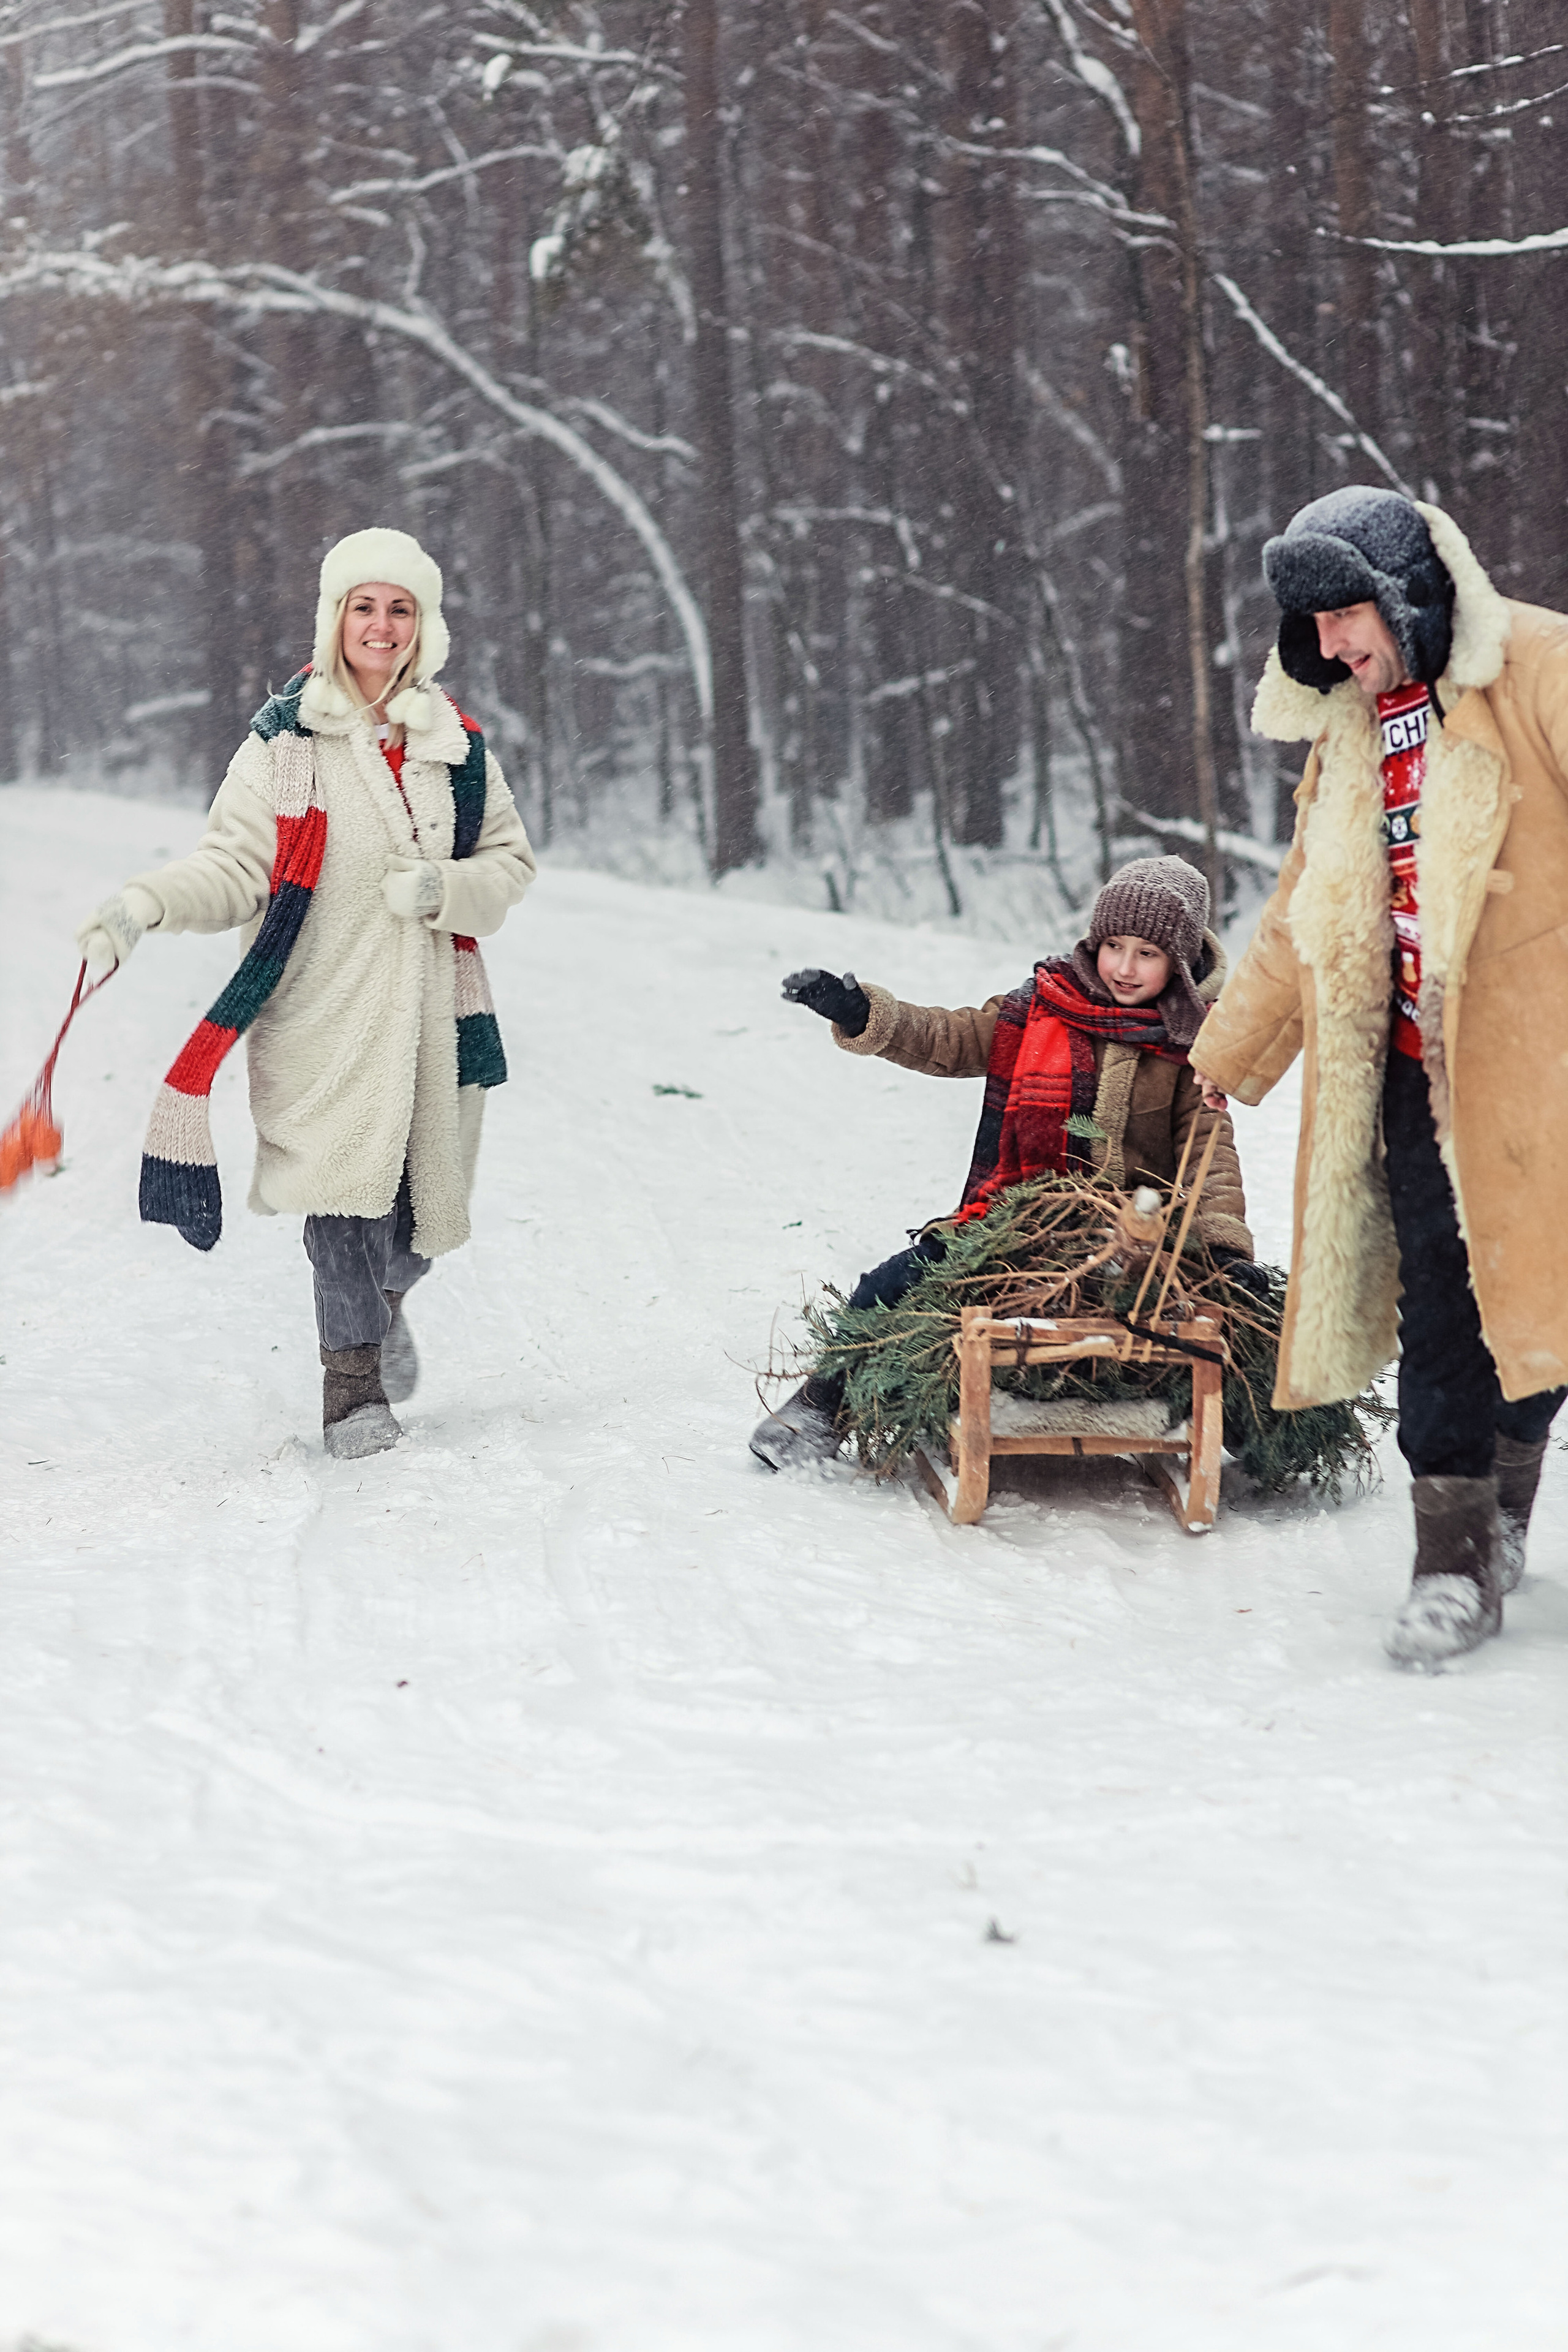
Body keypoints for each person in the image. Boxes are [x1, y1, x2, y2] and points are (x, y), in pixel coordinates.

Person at [1188, 484, 1568, 1666]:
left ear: (1406, 592)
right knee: (1444, 1310)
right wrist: (1230, 1055)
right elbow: (1308, 918)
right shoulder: (1350, 740)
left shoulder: (1541, 671)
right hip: (1409, 1070)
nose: (1336, 647)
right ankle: (1452, 1557)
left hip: (1541, 1067)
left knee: (1542, 1308)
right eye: (1318, 632)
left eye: (1350, 616)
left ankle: (1504, 1506)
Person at [75, 526, 536, 1459]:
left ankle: (386, 1304)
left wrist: (449, 891)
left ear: (423, 625)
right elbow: (232, 867)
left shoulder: (457, 745)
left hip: (436, 1024)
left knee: (416, 1224)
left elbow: (510, 863)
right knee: (341, 1205)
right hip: (319, 1015)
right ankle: (352, 1388)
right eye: (363, 606)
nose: (380, 624)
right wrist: (143, 905)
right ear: (335, 619)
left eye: (399, 608)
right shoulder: (284, 746)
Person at [752, 855, 1256, 1469]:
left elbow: (1211, 1154)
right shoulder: (1041, 1006)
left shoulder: (1197, 1048)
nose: (1124, 967)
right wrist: (863, 1015)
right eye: (1114, 946)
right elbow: (948, 1037)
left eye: (1147, 954)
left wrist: (1225, 1251)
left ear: (1177, 963)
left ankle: (1257, 1436)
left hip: (1132, 1243)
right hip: (1016, 1223)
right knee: (886, 1289)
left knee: (1233, 1326)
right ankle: (818, 1410)